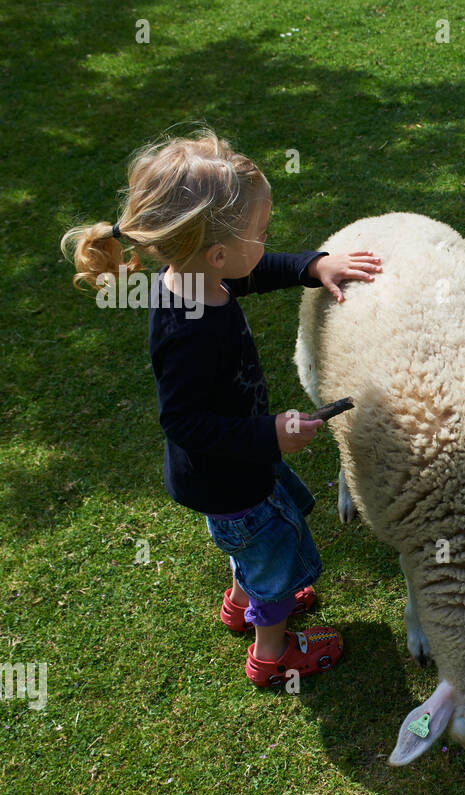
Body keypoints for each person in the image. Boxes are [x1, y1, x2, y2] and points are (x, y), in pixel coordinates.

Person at [61, 129, 380, 687]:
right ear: (217, 253)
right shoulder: (187, 328)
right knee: (275, 553)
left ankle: (241, 602)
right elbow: (183, 422)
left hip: (238, 464)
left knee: (252, 547)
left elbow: (254, 271)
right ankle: (273, 653)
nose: (266, 240)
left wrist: (312, 265)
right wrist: (267, 435)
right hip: (228, 478)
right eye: (261, 232)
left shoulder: (196, 278)